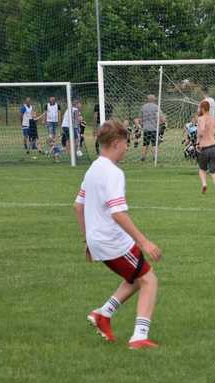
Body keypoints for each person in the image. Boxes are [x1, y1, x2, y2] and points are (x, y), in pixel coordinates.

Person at [74, 120, 162, 350]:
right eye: (126, 143)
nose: (126, 148)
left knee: (136, 277)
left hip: (97, 239)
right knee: (149, 280)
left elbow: (78, 206)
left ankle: (104, 313)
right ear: (115, 143)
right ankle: (139, 336)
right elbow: (117, 213)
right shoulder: (114, 173)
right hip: (112, 240)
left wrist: (87, 240)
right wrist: (144, 242)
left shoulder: (93, 168)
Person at [196, 100, 215, 195]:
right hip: (214, 148)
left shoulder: (201, 119)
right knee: (214, 172)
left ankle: (204, 184)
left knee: (202, 169)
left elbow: (201, 130)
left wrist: (198, 141)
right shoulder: (214, 119)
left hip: (204, 148)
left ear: (203, 108)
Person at [139, 95, 161, 162]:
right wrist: (160, 122)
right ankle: (155, 157)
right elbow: (159, 117)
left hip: (146, 128)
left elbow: (140, 119)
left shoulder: (143, 107)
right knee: (154, 144)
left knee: (145, 144)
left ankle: (143, 157)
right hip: (154, 128)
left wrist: (142, 124)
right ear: (154, 99)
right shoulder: (156, 107)